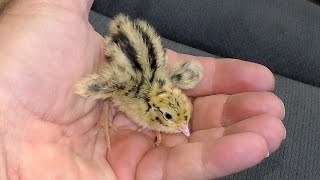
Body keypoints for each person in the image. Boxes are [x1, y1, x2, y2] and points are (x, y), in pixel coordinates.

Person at [0, 1, 285, 179]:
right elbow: (106, 86)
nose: (185, 129)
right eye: (177, 121)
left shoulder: (159, 92)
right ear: (152, 110)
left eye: (183, 119)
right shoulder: (133, 92)